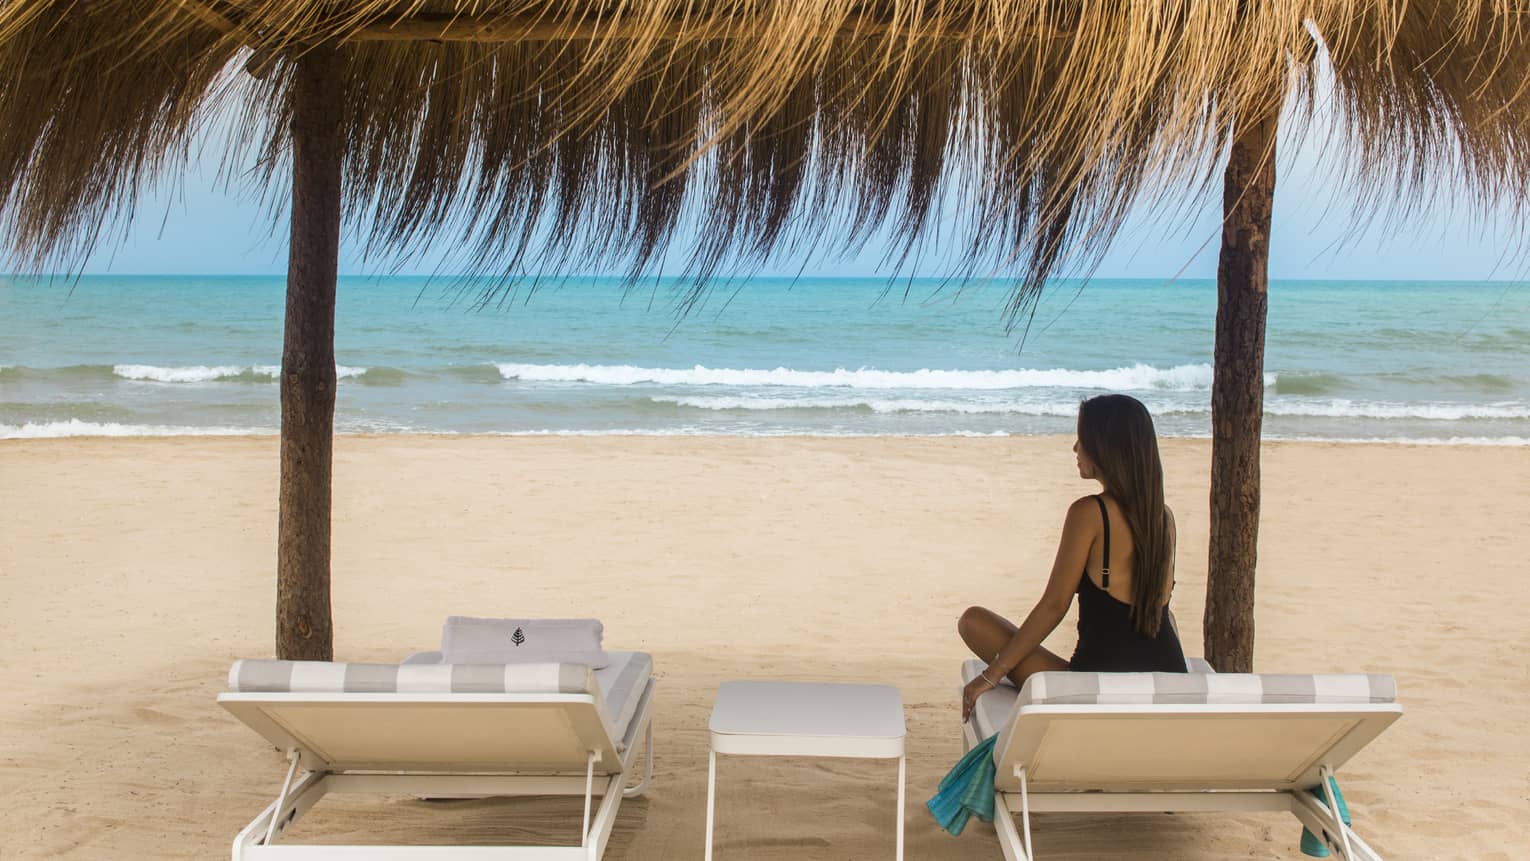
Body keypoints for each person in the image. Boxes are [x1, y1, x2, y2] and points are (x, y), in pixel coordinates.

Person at [959, 393, 1187, 722]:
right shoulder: (1163, 518)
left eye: (1082, 439)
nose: (1075, 448)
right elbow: (1164, 610)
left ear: (1105, 447)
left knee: (973, 621)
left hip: (1097, 684)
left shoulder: (1090, 513)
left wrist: (990, 676)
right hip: (1169, 673)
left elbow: (1054, 605)